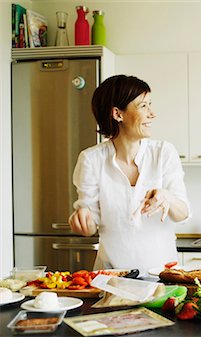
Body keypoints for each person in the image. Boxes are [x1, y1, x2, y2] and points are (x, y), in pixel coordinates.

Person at [68, 74, 191, 273]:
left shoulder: (163, 153)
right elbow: (91, 224)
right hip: (111, 276)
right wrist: (82, 221)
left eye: (150, 104)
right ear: (118, 114)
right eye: (144, 106)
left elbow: (183, 212)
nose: (152, 114)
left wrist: (167, 197)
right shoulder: (91, 160)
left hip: (163, 275)